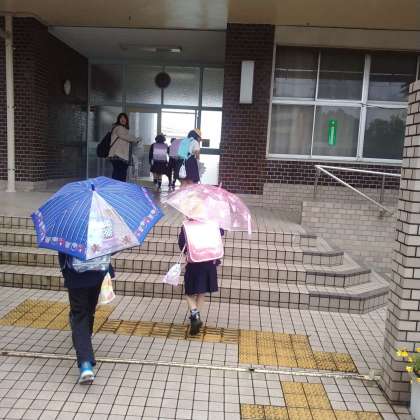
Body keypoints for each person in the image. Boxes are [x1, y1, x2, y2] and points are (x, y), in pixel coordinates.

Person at [58, 252, 114, 385]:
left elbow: (62, 249)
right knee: (88, 311)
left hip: (75, 274)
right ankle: (83, 341)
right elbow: (112, 246)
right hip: (98, 270)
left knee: (80, 314)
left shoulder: (70, 235)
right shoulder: (101, 235)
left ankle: (85, 363)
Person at [178, 223, 224, 335]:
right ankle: (196, 317)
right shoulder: (212, 223)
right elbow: (221, 232)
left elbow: (182, 243)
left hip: (194, 262)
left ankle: (195, 315)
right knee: (201, 291)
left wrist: (187, 252)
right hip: (209, 262)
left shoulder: (187, 225)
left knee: (189, 293)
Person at [108, 113, 139, 182]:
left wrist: (134, 139)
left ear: (127, 120)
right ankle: (118, 188)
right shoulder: (119, 127)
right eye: (121, 118)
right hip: (118, 155)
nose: (123, 119)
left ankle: (117, 187)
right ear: (118, 120)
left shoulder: (123, 129)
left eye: (124, 118)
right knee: (120, 175)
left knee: (118, 174)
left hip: (120, 155)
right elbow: (124, 136)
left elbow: (126, 137)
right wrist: (136, 139)